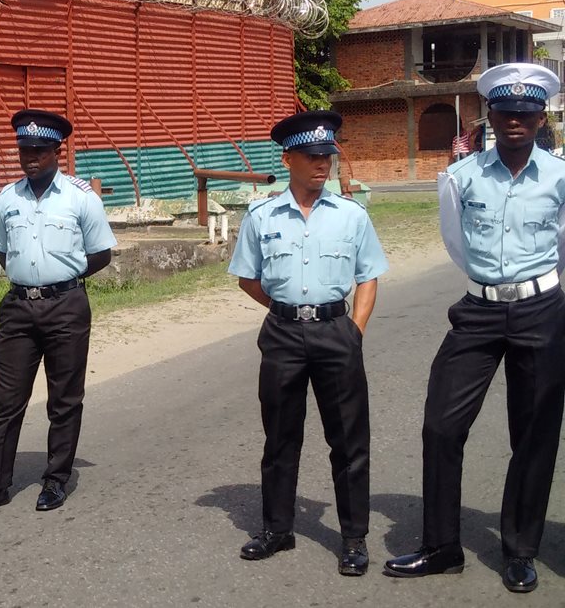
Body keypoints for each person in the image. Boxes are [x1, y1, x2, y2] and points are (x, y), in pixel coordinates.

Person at [385, 64, 565, 594]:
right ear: (490, 115)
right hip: (479, 310)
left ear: (540, 118)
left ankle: (520, 550)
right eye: (506, 112)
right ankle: (442, 546)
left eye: (526, 114)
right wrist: (490, 286)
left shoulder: (561, 177)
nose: (516, 121)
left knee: (533, 435)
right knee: (442, 425)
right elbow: (455, 243)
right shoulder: (462, 178)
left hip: (542, 312)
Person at [228, 110, 387, 576]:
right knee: (279, 438)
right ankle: (278, 529)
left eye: (328, 156)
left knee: (348, 440)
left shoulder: (351, 215)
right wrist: (285, 310)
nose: (323, 164)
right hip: (281, 334)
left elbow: (369, 276)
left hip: (337, 331)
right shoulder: (261, 215)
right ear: (289, 158)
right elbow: (247, 278)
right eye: (313, 156)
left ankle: (354, 537)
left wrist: (354, 330)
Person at [0, 109, 117, 516]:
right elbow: (1, 249)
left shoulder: (81, 197)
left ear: (56, 151)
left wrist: (60, 280)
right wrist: (30, 281)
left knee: (64, 399)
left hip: (66, 307)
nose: (30, 157)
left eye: (40, 150)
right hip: (18, 309)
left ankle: (54, 480)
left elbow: (101, 253)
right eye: (24, 150)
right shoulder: (7, 198)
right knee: (6, 401)